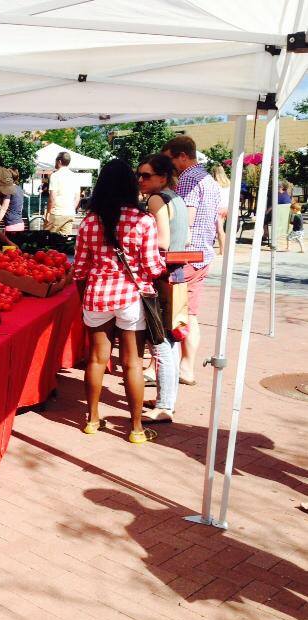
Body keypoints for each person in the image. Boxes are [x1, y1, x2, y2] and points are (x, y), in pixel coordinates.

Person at [72, 159, 165, 443]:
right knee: (133, 363)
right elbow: (152, 268)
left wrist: (84, 298)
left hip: (97, 295)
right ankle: (136, 429)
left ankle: (92, 419)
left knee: (97, 359)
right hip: (130, 297)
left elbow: (79, 269)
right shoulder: (143, 220)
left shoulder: (88, 222)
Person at [162, 135, 220, 386]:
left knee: (172, 312)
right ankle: (187, 367)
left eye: (170, 159)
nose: (169, 166)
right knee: (191, 314)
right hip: (203, 254)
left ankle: (164, 367)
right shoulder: (210, 180)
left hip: (184, 256)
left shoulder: (188, 179)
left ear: (182, 156)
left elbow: (186, 219)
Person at [136, 154, 189, 424]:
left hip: (162, 276)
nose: (141, 180)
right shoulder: (177, 199)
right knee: (173, 336)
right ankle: (166, 398)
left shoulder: (157, 199)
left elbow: (163, 242)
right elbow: (185, 237)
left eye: (146, 176)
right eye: (140, 175)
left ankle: (165, 405)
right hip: (177, 274)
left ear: (163, 177)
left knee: (161, 342)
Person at [47, 152, 79, 234]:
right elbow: (77, 197)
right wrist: (71, 208)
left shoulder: (55, 176)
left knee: (49, 242)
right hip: (69, 213)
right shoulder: (75, 177)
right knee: (65, 243)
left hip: (57, 213)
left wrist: (48, 212)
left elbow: (52, 198)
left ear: (59, 161)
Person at [0, 168, 27, 233]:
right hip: (20, 224)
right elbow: (20, 208)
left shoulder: (9, 190)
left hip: (11, 225)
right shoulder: (20, 189)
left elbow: (4, 208)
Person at [211, 164, 230, 255]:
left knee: (220, 230)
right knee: (225, 230)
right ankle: (226, 249)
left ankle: (222, 251)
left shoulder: (214, 184)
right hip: (227, 208)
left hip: (219, 209)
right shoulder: (228, 183)